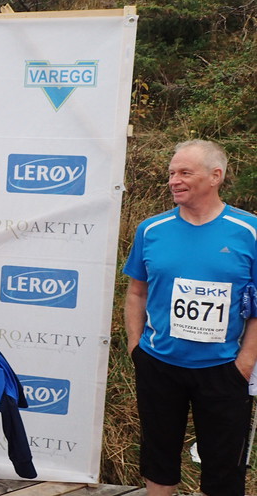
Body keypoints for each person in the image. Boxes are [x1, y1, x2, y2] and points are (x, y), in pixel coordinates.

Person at [123, 139, 257, 496]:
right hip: (159, 364)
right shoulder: (151, 229)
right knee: (158, 458)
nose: (173, 180)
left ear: (216, 176)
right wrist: (136, 347)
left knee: (224, 468)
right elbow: (136, 292)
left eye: (184, 172)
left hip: (223, 367)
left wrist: (245, 363)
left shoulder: (248, 231)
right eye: (171, 173)